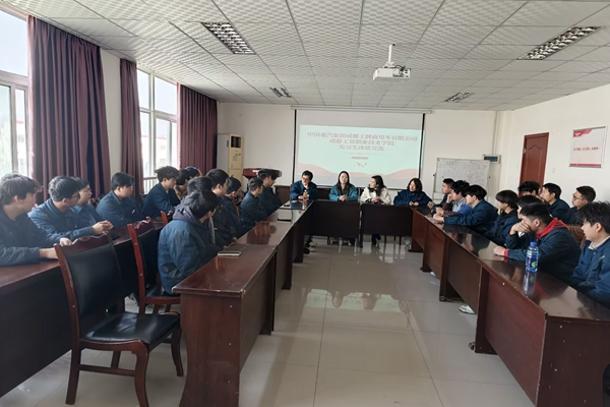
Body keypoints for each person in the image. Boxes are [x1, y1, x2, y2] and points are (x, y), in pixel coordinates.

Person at [494, 202, 580, 283]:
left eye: (523, 220)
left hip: (559, 281)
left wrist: (505, 252)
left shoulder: (559, 235)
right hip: (541, 273)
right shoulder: (535, 230)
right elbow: (515, 247)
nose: (521, 223)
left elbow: (537, 256)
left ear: (536, 222)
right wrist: (513, 230)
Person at [157, 190, 219, 294]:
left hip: (192, 271)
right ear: (209, 212)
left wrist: (220, 251)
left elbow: (205, 249)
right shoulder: (181, 231)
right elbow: (189, 269)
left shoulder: (193, 220)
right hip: (178, 281)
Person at [0, 174, 70, 266]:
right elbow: (2, 254)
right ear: (18, 199)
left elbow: (41, 236)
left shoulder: (22, 216)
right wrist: (44, 253)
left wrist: (59, 239)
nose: (35, 200)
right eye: (32, 195)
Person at [29, 176, 112, 242]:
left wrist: (100, 230)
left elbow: (78, 231)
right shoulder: (38, 216)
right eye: (77, 196)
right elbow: (55, 238)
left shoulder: (70, 209)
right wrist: (91, 230)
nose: (79, 198)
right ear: (65, 201)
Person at [569, 202, 610, 306]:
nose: (582, 228)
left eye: (584, 223)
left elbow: (604, 292)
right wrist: (571, 292)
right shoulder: (589, 244)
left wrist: (579, 298)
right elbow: (578, 274)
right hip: (583, 299)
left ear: (597, 227)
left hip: (598, 306)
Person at [207, 169, 240, 248]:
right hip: (218, 246)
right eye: (226, 184)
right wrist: (222, 245)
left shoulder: (221, 200)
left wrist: (232, 236)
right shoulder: (208, 203)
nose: (227, 187)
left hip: (226, 242)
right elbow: (214, 229)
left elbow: (228, 221)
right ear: (219, 186)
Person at [360, 175, 390, 246]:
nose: (370, 183)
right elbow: (361, 199)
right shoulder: (366, 189)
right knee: (372, 217)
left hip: (380, 212)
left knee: (377, 217)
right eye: (370, 181)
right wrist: (370, 200)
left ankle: (375, 234)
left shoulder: (384, 190)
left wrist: (380, 199)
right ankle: (375, 234)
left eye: (372, 182)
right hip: (368, 212)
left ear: (377, 184)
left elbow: (388, 201)